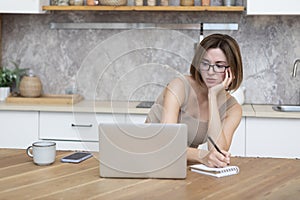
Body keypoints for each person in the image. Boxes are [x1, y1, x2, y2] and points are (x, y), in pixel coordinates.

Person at [146, 33, 243, 168]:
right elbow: (166, 143)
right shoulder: (179, 86)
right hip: (148, 159)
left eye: (219, 65)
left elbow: (217, 151)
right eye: (205, 64)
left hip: (183, 166)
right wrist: (202, 156)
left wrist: (213, 96)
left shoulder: (233, 109)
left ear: (232, 71)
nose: (210, 71)